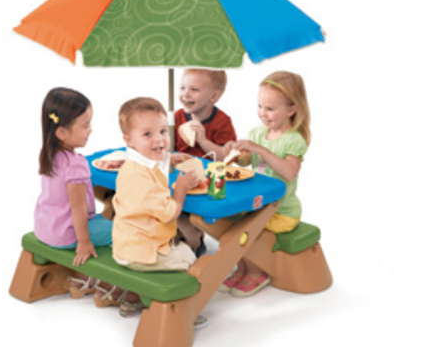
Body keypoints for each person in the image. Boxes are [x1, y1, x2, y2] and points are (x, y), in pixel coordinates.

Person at [111, 97, 208, 328]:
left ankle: (132, 299)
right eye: (147, 134)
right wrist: (181, 188)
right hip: (143, 252)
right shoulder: (143, 180)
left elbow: (153, 160)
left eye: (163, 131)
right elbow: (171, 213)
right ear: (129, 140)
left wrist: (169, 158)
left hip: (126, 244)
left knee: (180, 246)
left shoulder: (133, 165)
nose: (159, 140)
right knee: (191, 257)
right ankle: (185, 310)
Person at [221, 71, 310, 297]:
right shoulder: (258, 134)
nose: (263, 113)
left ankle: (257, 272)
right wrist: (236, 153)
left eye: (270, 108)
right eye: (260, 106)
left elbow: (289, 172)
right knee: (232, 226)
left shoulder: (293, 139)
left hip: (281, 211)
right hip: (258, 204)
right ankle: (242, 268)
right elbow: (247, 162)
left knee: (249, 231)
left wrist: (259, 149)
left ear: (291, 109)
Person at [34, 88, 113, 298]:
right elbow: (79, 208)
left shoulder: (50, 155)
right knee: (121, 229)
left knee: (103, 219)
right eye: (85, 125)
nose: (90, 130)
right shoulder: (76, 164)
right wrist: (84, 243)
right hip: (68, 235)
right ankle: (103, 279)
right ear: (61, 132)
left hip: (46, 228)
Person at [175, 68, 237, 255]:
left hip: (210, 182)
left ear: (214, 96)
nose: (186, 94)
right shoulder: (176, 117)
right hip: (178, 178)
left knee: (182, 212)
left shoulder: (222, 122)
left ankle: (194, 241)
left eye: (194, 89)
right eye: (182, 88)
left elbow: (226, 158)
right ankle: (178, 236)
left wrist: (203, 140)